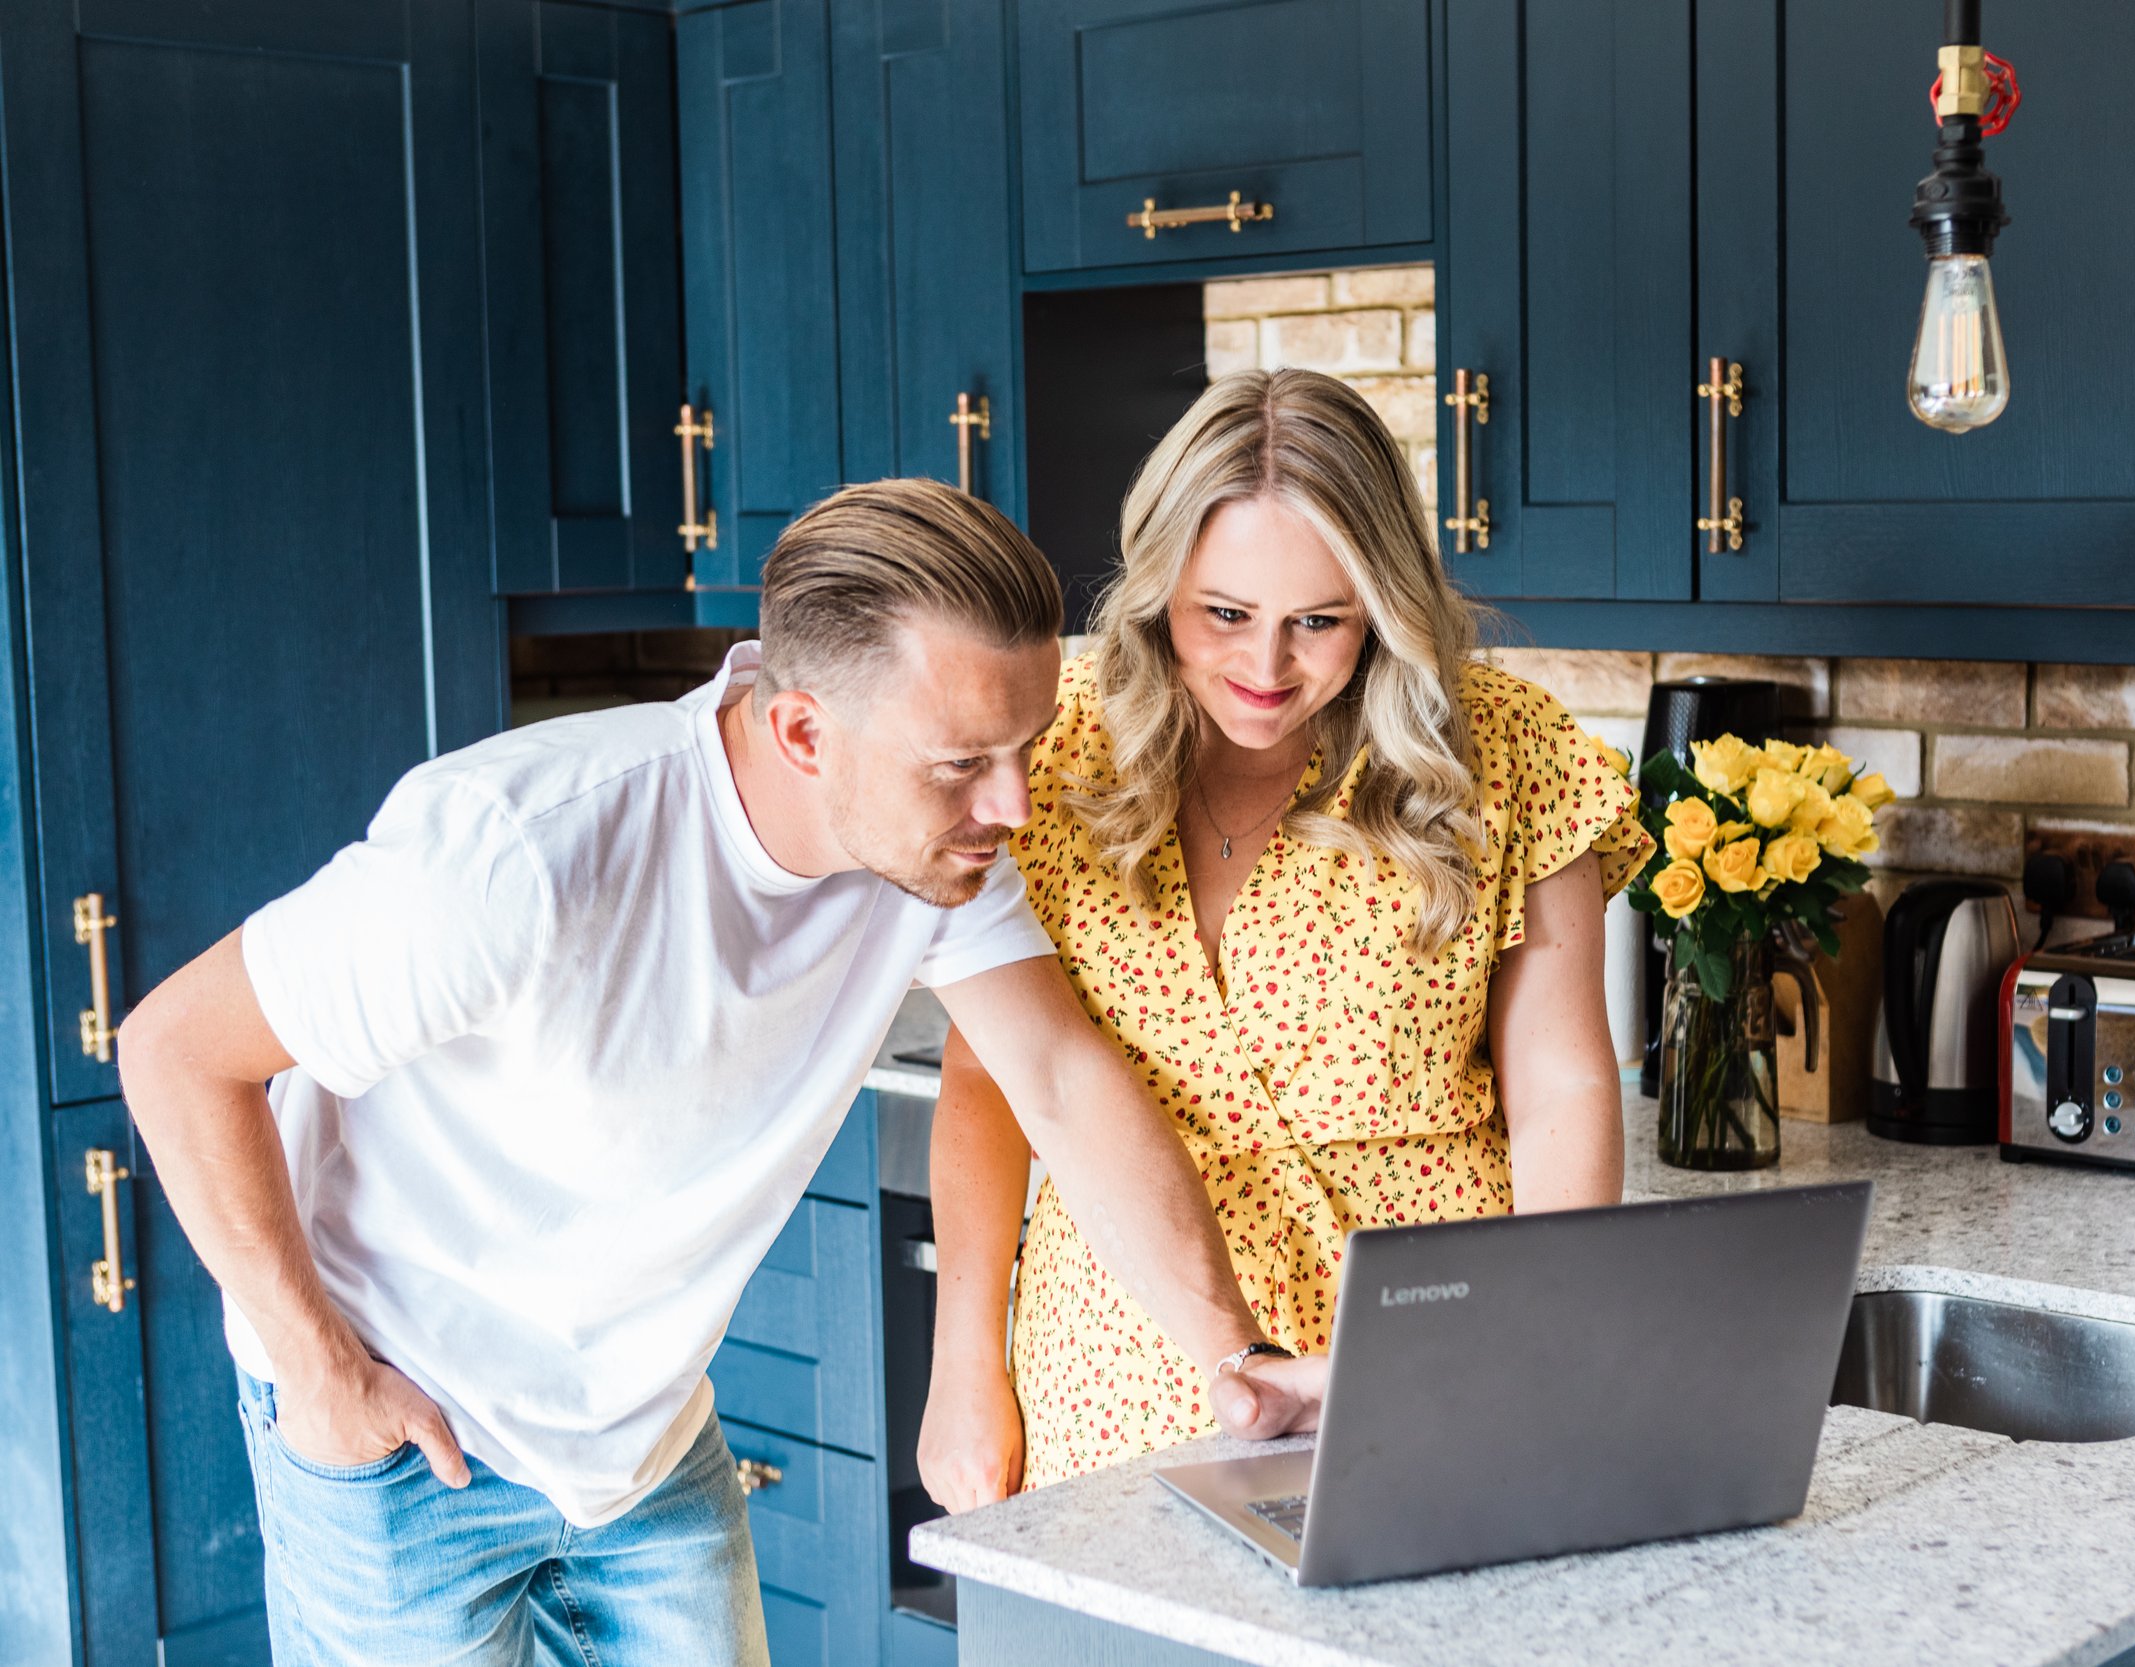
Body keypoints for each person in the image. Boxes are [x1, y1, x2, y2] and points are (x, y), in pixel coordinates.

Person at [115, 479, 1324, 1667]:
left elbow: (1061, 1080)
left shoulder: (938, 854)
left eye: (1023, 747)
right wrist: (322, 1376)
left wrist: (1236, 1361)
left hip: (639, 1444)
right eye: (961, 762)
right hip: (403, 1430)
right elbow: (175, 1050)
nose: (1009, 804)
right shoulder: (517, 853)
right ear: (801, 730)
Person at [917, 369, 1651, 1508]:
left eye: (1320, 620)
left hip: (1420, 1351)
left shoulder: (1504, 751)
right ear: (1160, 582)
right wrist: (963, 1367)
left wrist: (1537, 1333)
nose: (1265, 668)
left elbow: (1559, 1076)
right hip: (1113, 1358)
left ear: (1383, 602)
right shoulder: (1050, 748)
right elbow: (990, 1079)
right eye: (1223, 614)